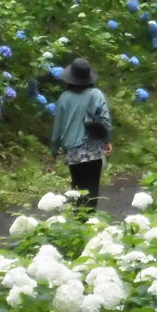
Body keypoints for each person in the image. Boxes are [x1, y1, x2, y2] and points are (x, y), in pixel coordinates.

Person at [50, 58, 113, 212]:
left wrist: (54, 149)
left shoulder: (64, 98)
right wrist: (107, 140)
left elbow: (58, 127)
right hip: (94, 148)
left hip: (73, 151)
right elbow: (105, 120)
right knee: (92, 187)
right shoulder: (96, 94)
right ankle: (89, 222)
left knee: (77, 187)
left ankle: (79, 221)